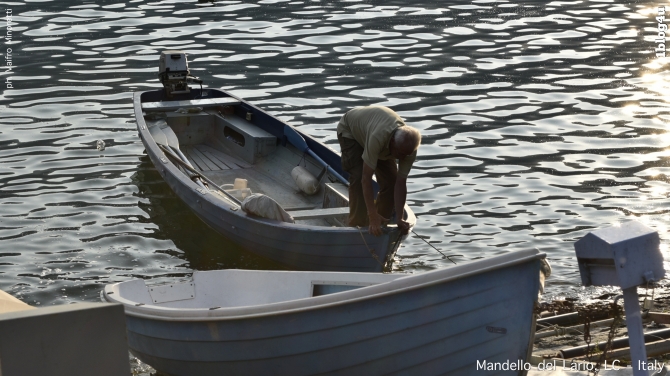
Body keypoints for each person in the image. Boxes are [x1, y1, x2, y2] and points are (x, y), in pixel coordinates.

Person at [337, 106, 421, 237]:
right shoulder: (378, 137)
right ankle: (357, 225)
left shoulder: (408, 149)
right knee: (358, 177)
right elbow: (366, 178)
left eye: (406, 155)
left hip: (378, 139)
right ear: (392, 142)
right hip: (351, 132)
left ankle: (380, 224)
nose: (402, 158)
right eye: (400, 154)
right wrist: (371, 215)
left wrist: (399, 218)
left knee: (391, 182)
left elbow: (400, 182)